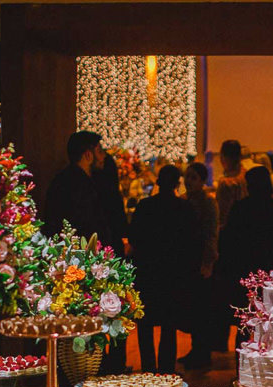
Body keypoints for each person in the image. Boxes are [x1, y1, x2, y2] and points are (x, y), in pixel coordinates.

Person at [216, 166, 273, 350]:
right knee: (271, 321)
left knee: (244, 322)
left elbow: (229, 241)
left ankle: (243, 365)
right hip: (272, 273)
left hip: (244, 272)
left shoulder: (240, 208)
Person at [129, 165, 197, 373]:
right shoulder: (185, 209)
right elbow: (193, 242)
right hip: (174, 273)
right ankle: (166, 370)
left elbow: (134, 238)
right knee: (169, 324)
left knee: (145, 324)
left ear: (158, 182)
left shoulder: (145, 206)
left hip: (148, 271)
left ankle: (148, 369)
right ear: (177, 184)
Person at [92, 152, 130, 374]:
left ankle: (97, 359)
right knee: (116, 308)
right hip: (113, 254)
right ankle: (116, 362)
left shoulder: (92, 189)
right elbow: (122, 226)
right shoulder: (112, 194)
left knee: (95, 307)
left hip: (96, 254)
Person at [180, 162, 219, 370]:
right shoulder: (187, 200)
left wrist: (208, 262)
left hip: (200, 259)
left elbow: (211, 234)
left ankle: (202, 352)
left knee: (202, 308)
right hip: (188, 260)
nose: (188, 181)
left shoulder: (207, 203)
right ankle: (196, 350)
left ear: (202, 181)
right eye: (187, 176)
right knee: (194, 308)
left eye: (193, 177)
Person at [43, 131, 109, 243]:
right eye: (99, 151)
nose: (104, 156)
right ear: (88, 155)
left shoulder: (63, 179)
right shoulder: (78, 185)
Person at [214, 139, 248, 229]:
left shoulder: (226, 183)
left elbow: (221, 211)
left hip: (228, 229)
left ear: (224, 158)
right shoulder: (247, 175)